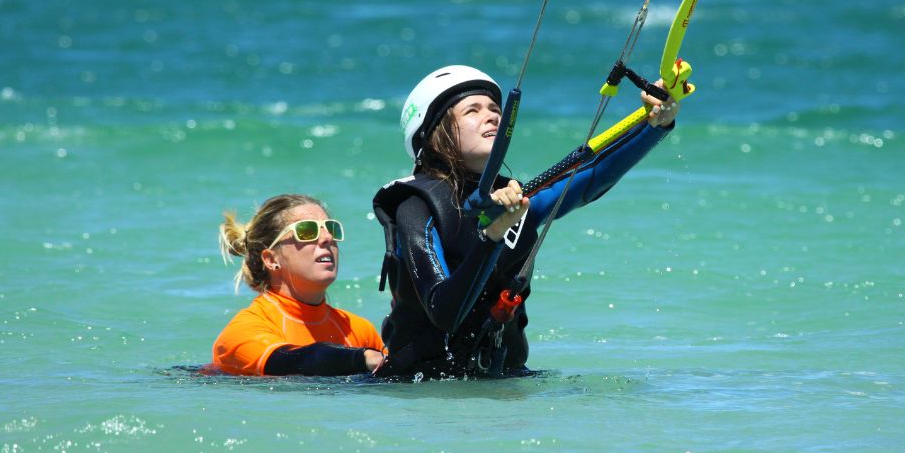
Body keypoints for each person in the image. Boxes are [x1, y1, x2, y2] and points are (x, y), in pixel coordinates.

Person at [372, 65, 680, 378]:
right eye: (472, 110)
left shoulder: (516, 200)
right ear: (435, 135)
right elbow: (444, 312)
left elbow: (590, 178)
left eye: (494, 108)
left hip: (503, 383)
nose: (492, 115)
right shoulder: (415, 208)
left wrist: (655, 124)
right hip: (422, 390)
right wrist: (492, 236)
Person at [210, 193, 385, 376]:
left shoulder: (359, 330)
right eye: (307, 231)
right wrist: (360, 358)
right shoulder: (243, 332)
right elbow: (296, 362)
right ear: (271, 259)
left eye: (331, 229)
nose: (327, 238)